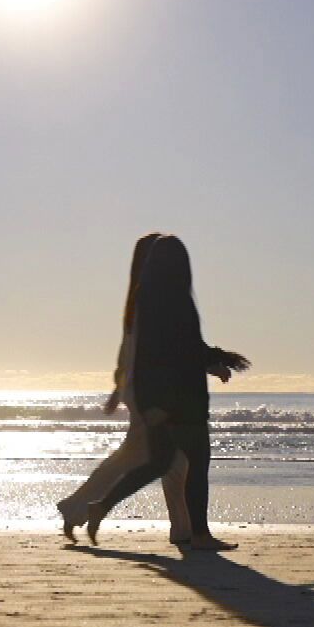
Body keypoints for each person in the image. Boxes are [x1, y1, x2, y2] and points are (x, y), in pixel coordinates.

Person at [83, 235, 248, 550]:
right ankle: (199, 535)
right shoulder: (174, 299)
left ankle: (100, 508)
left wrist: (215, 360)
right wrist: (214, 360)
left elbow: (165, 351)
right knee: (197, 463)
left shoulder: (146, 298)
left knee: (157, 464)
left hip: (162, 399)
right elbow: (176, 351)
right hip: (183, 400)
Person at [56, 233, 194, 543]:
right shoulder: (150, 298)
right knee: (166, 458)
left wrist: (119, 390)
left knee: (143, 457)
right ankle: (81, 508)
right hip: (150, 391)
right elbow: (144, 351)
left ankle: (78, 508)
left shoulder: (139, 298)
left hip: (140, 389)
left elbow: (128, 351)